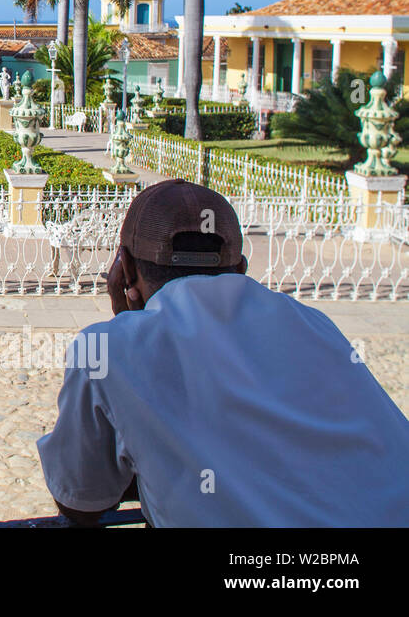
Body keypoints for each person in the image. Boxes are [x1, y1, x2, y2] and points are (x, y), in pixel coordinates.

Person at [37, 178, 409, 527]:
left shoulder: (106, 349)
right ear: (242, 268)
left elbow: (81, 502)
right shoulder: (314, 323)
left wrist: (127, 323)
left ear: (124, 268)